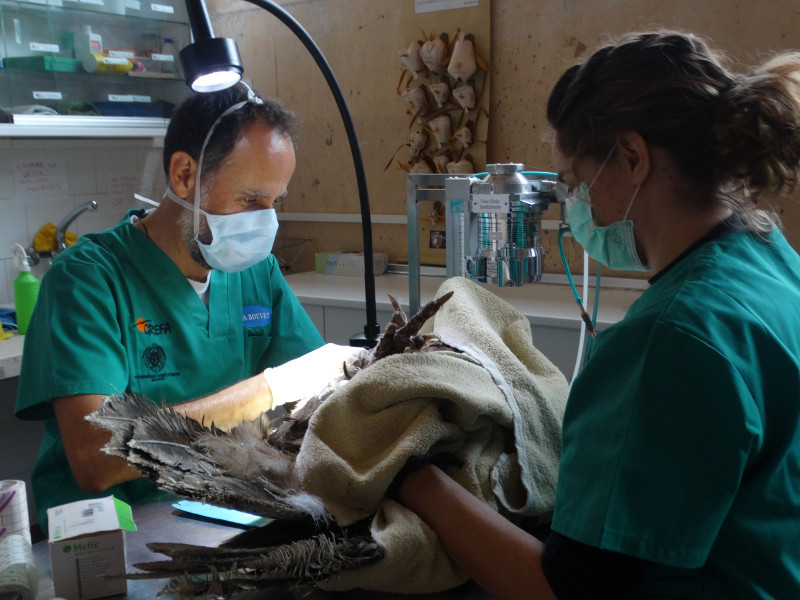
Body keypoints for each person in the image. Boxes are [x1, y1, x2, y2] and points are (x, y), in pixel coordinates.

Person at [396, 31, 800, 599]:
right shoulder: (772, 261)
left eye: (573, 182)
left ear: (632, 157)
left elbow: (560, 589)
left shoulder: (674, 337)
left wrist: (414, 478)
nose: (574, 205)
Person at [15, 83, 356, 528]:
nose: (265, 221)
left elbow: (317, 397)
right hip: (114, 531)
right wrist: (268, 389)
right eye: (250, 200)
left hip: (225, 511)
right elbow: (98, 457)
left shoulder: (256, 272)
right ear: (184, 176)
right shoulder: (88, 280)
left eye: (275, 202)